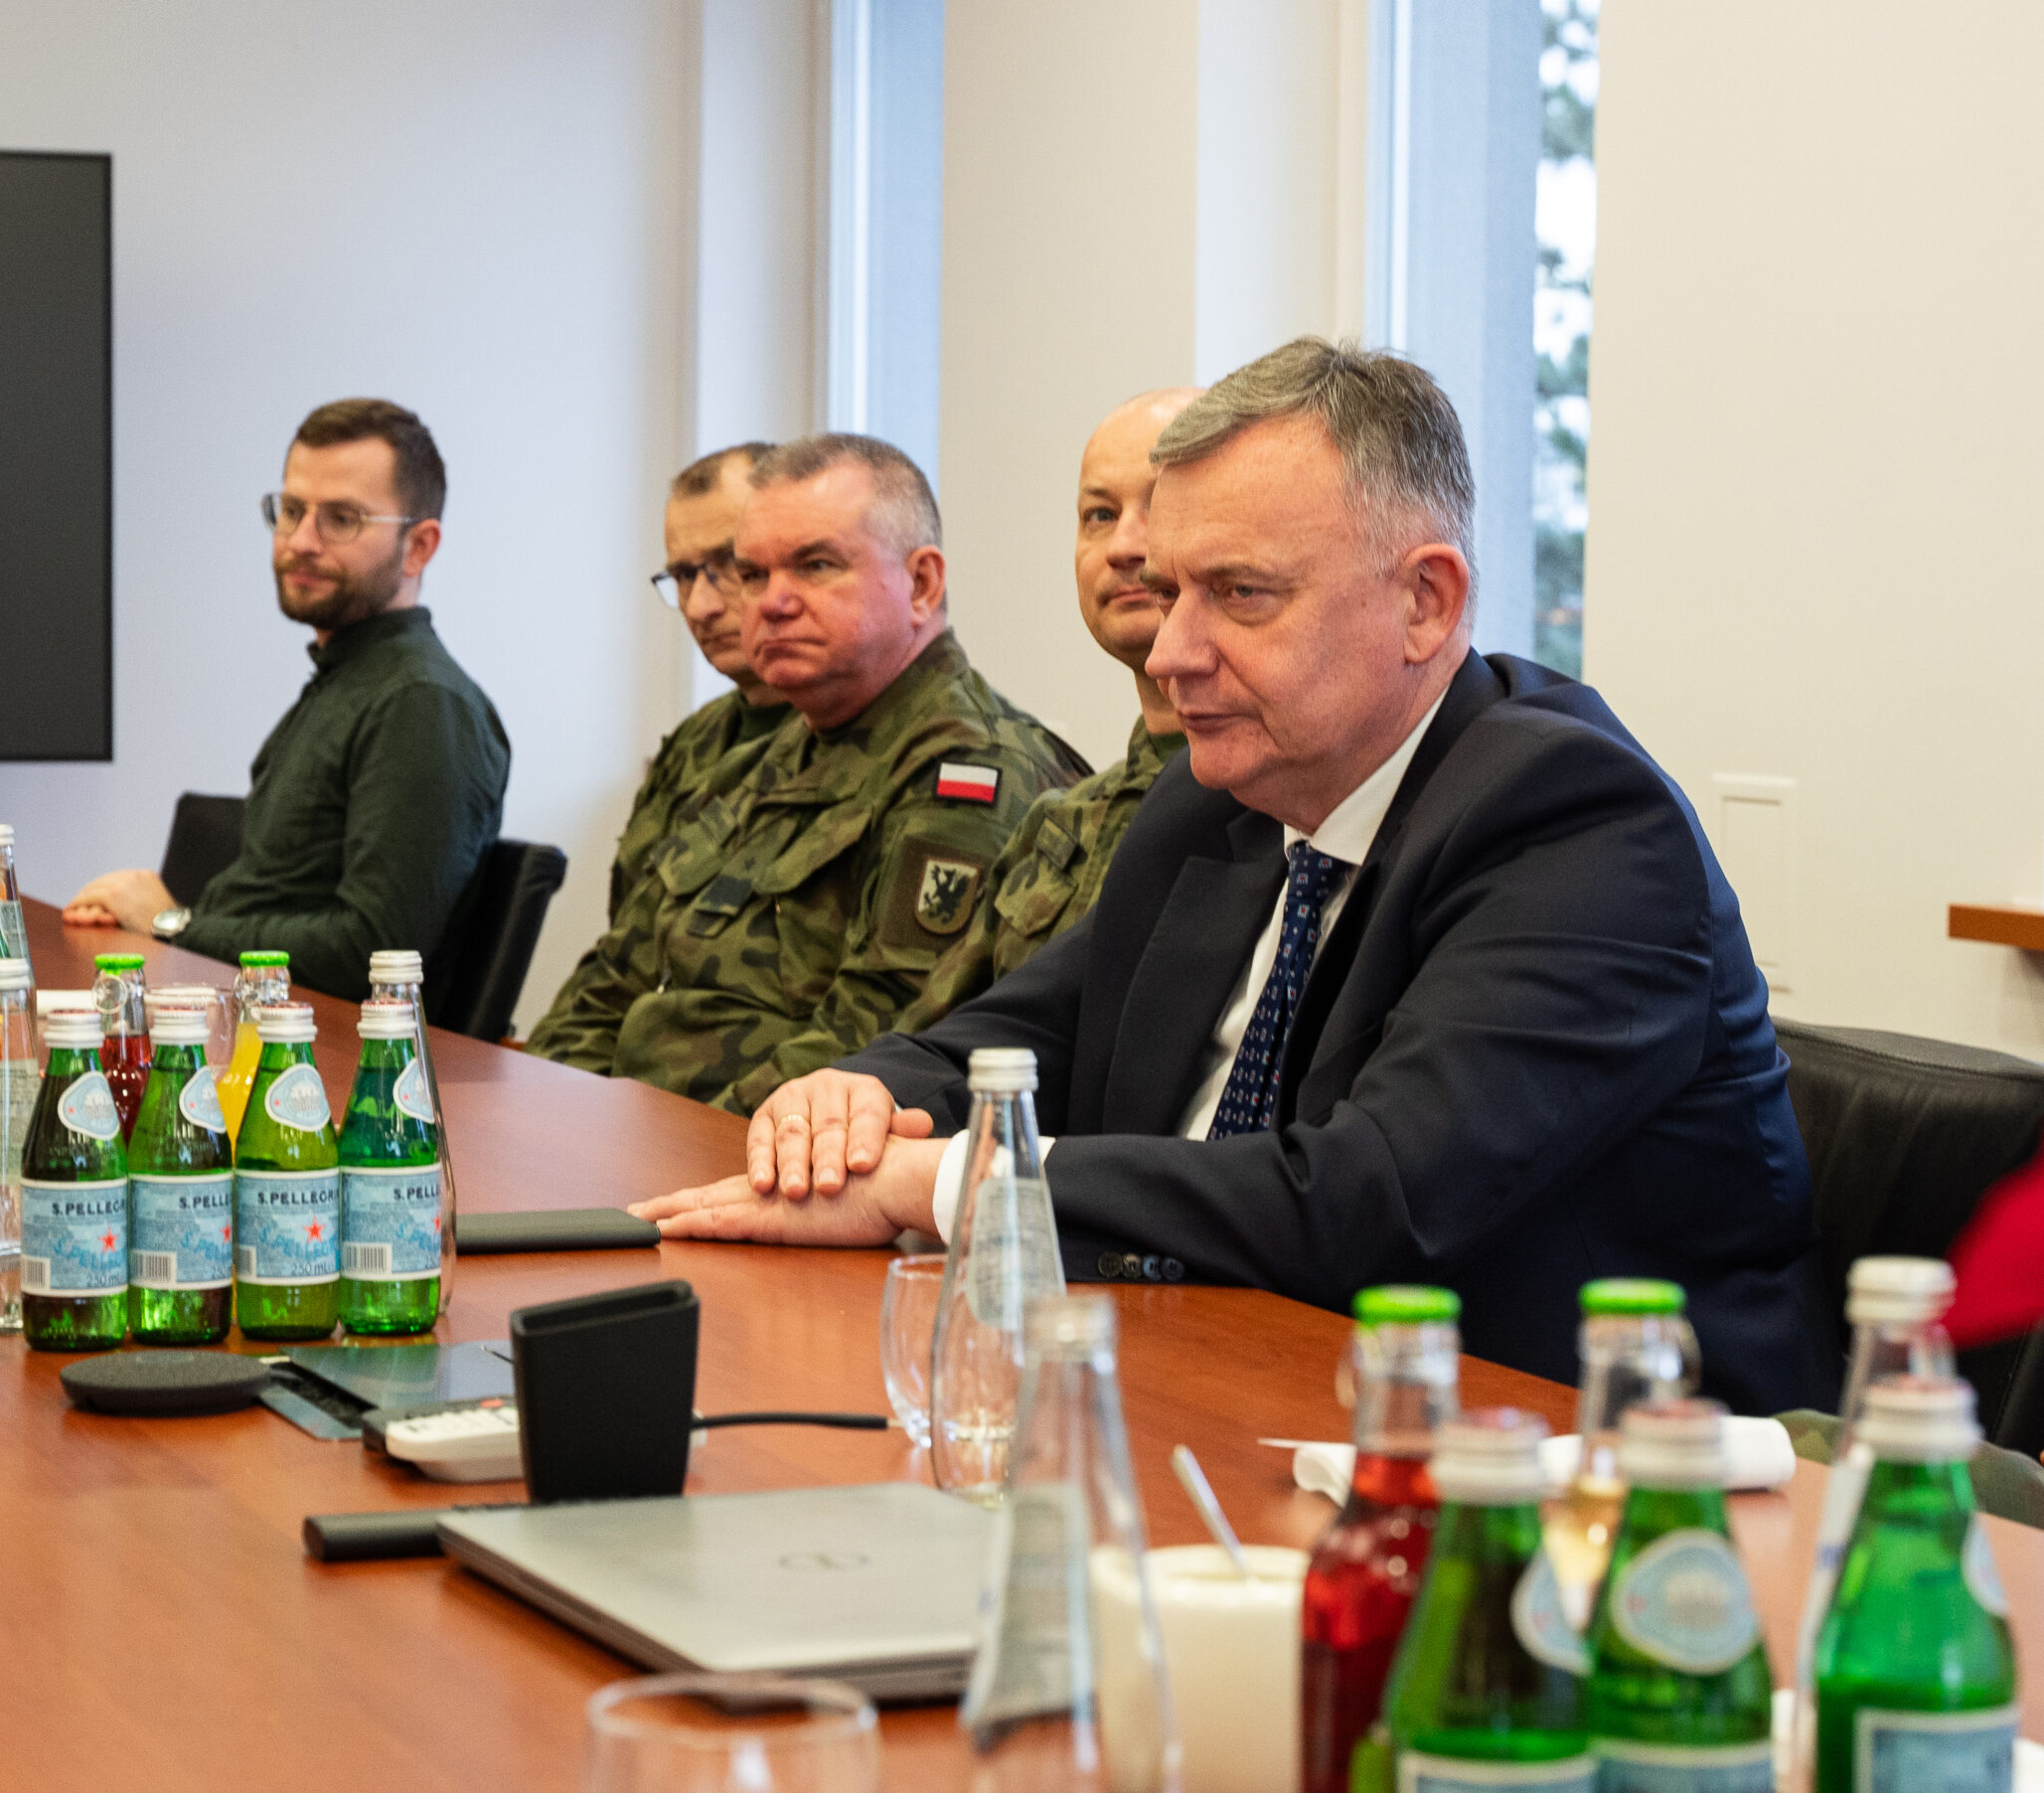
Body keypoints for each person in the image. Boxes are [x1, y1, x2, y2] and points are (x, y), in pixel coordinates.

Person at [632, 341, 1831, 1413]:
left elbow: (1368, 1199)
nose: (1171, 650)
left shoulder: (1576, 824)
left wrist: (936, 1180)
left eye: (1240, 594)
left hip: (1579, 1464)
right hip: (1212, 1375)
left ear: (1425, 601)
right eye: (1172, 592)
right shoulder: (1223, 794)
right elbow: (1022, 1036)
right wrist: (853, 1098)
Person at [527, 432, 1088, 1114]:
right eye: (753, 574)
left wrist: (656, 1142)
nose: (770, 602)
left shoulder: (970, 775)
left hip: (752, 1154)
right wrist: (542, 1107)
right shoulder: (753, 761)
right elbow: (615, 978)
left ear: (921, 584)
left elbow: (871, 1050)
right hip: (631, 1137)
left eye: (815, 565)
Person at [63, 399, 509, 999]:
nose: (300, 541)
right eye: (292, 511)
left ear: (419, 547)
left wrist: (173, 925)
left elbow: (375, 953)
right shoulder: (347, 681)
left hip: (311, 1046)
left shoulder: (421, 704)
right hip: (239, 1011)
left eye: (342, 519)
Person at [891, 387, 1198, 1034]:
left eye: (1163, 505)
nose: (1123, 545)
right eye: (1099, 514)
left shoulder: (1283, 817)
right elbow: (941, 1037)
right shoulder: (1062, 825)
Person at [605, 443, 788, 919]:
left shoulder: (843, 738)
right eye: (684, 575)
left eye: (729, 564)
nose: (701, 606)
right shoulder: (689, 745)